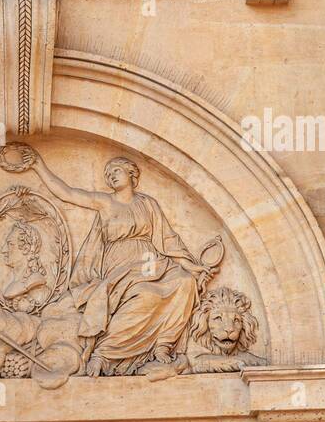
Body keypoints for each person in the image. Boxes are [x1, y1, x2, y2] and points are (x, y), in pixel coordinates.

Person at [26, 151, 207, 375]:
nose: (111, 176)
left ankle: (163, 344)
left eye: (116, 171)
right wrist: (38, 165)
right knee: (147, 295)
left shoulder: (148, 204)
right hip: (121, 266)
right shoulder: (104, 202)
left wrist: (192, 266)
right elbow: (67, 193)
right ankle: (104, 353)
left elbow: (167, 239)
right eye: (107, 173)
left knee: (185, 282)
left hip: (151, 262)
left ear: (132, 174)